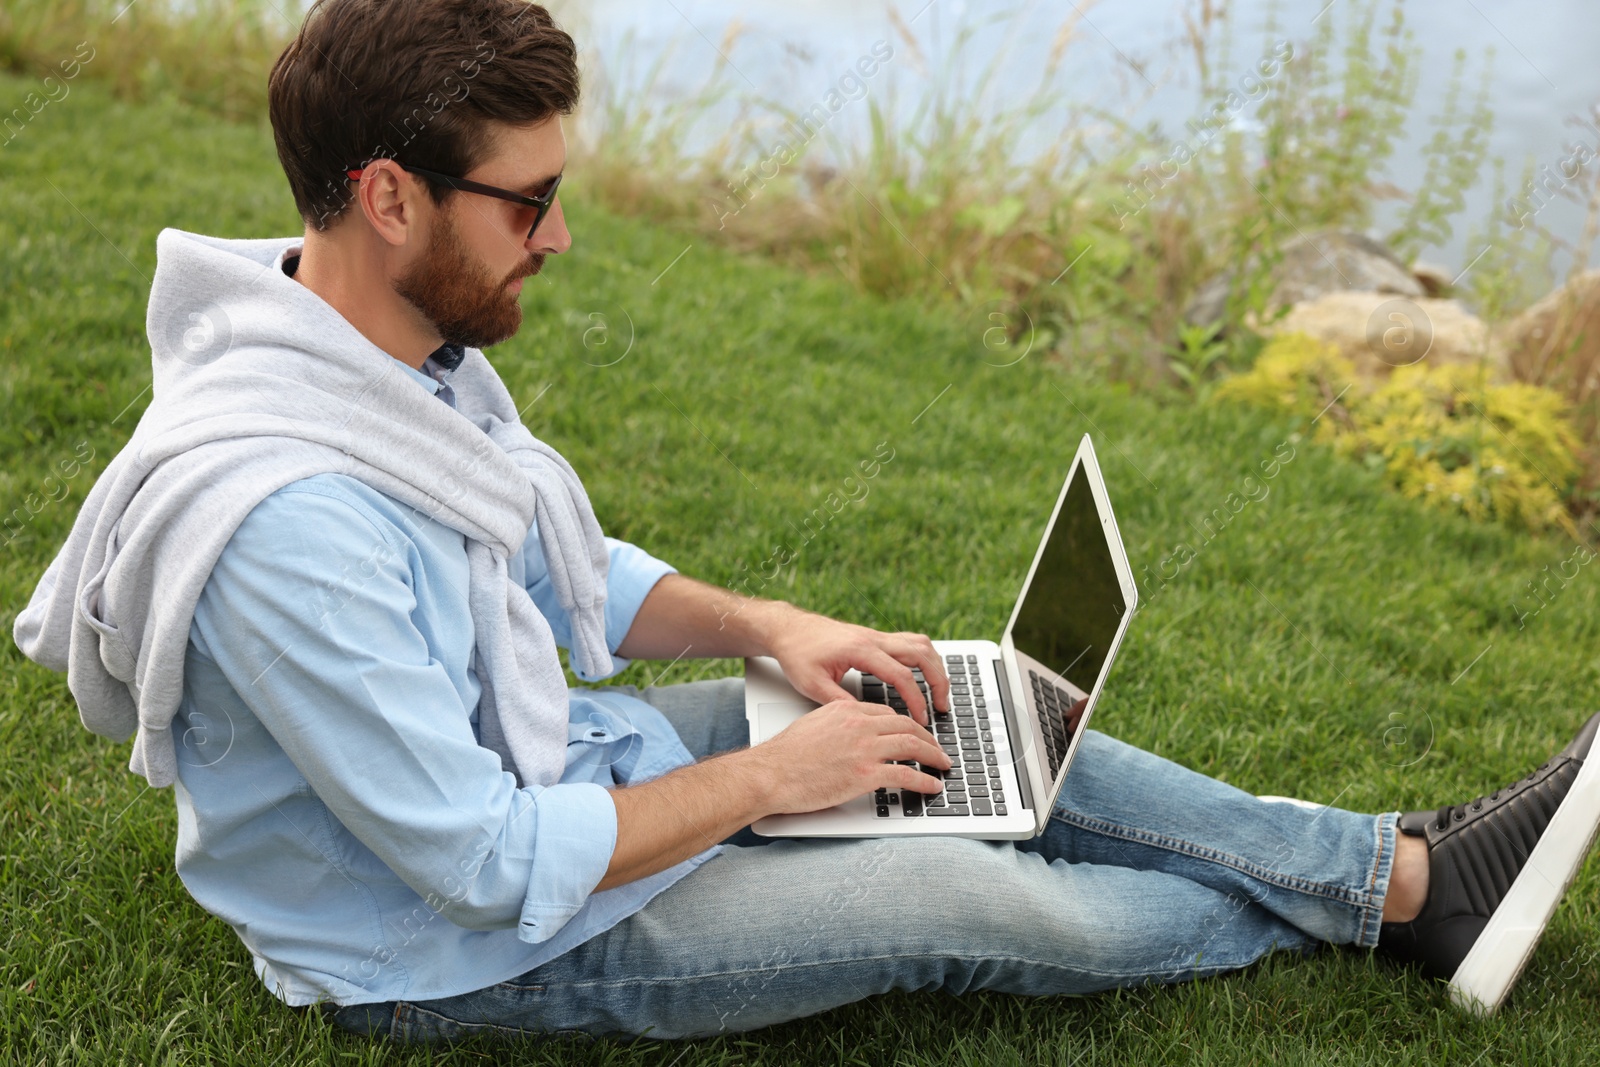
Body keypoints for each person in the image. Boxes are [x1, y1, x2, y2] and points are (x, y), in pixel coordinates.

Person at [13, 0, 1600, 1043]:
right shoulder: (291, 525)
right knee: (973, 897)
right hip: (451, 947)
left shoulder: (372, 349)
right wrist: (774, 777)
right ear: (387, 198)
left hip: (551, 770)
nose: (558, 236)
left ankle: (1401, 882)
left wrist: (775, 635)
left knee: (948, 709)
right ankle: (1361, 910)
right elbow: (486, 868)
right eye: (527, 201)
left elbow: (557, 557)